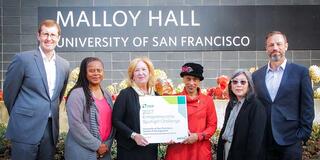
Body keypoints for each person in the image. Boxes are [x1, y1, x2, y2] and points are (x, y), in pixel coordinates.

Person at [3, 19, 70, 160]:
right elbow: (9, 94)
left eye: (53, 35)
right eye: (45, 34)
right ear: (38, 36)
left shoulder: (64, 65)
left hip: (50, 129)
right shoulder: (23, 59)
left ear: (59, 38)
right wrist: (21, 117)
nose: (49, 38)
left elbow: (58, 96)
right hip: (25, 128)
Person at [252, 31, 314, 160]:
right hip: (265, 140)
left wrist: (303, 134)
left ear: (286, 46)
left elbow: (307, 106)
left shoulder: (301, 72)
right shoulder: (256, 75)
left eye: (279, 44)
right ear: (266, 49)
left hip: (291, 140)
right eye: (271, 45)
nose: (275, 48)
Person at [64, 57, 115, 160]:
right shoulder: (77, 94)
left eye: (99, 70)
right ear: (84, 73)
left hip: (104, 150)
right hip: (81, 151)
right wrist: (97, 145)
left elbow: (112, 122)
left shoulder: (107, 94)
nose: (96, 73)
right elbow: (76, 125)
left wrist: (106, 145)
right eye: (91, 70)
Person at [165, 62, 217, 160]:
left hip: (200, 150)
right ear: (183, 79)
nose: (191, 83)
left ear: (199, 81)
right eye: (188, 79)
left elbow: (212, 126)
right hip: (178, 151)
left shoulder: (207, 100)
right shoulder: (174, 99)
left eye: (195, 79)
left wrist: (198, 136)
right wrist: (167, 136)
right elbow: (167, 123)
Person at [112, 57, 158, 160]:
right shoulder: (125, 94)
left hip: (150, 150)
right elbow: (116, 120)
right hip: (129, 150)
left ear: (150, 73)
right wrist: (134, 135)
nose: (140, 73)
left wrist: (168, 135)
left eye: (144, 69)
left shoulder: (156, 96)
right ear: (132, 76)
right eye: (136, 70)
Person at [217, 70, 266, 160]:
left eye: (243, 82)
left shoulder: (256, 106)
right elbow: (225, 129)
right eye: (235, 82)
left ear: (249, 85)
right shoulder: (231, 104)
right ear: (230, 85)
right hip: (227, 149)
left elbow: (255, 141)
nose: (238, 85)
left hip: (243, 154)